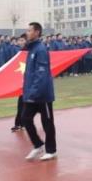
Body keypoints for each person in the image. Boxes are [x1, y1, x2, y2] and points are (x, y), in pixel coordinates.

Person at [20, 22, 57, 161]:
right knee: (25, 118)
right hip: (31, 93)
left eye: (29, 30)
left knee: (47, 122)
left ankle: (51, 150)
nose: (27, 32)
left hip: (43, 94)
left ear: (37, 32)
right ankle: (38, 144)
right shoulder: (32, 49)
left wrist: (33, 92)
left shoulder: (40, 49)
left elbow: (41, 74)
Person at [11, 34, 27, 133]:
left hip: (31, 83)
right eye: (19, 40)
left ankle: (23, 123)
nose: (19, 42)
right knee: (21, 104)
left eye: (22, 40)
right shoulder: (20, 53)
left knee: (39, 105)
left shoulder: (31, 51)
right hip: (24, 84)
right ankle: (19, 123)